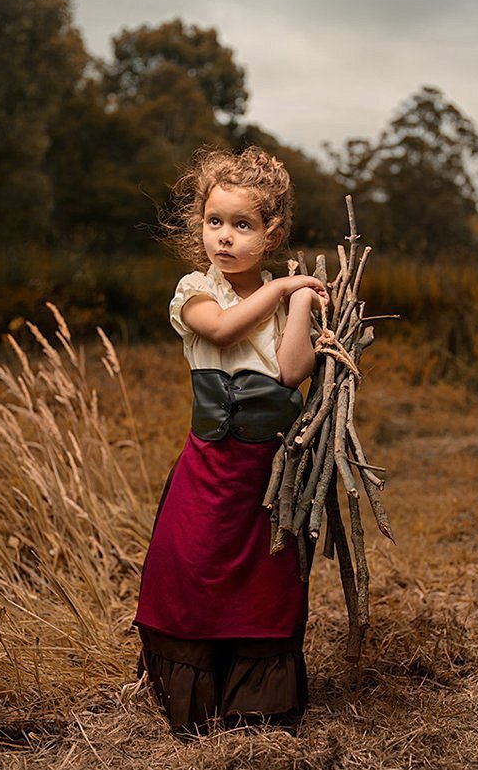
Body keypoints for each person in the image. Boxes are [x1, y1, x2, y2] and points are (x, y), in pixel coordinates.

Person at [134, 145, 328, 736]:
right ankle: (194, 692)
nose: (224, 237)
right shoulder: (196, 289)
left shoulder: (283, 296)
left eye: (242, 225)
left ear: (270, 234)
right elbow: (219, 331)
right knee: (191, 567)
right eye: (214, 221)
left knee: (264, 583)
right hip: (209, 468)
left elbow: (293, 371)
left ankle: (256, 701)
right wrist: (282, 290)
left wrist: (297, 301)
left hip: (267, 475)